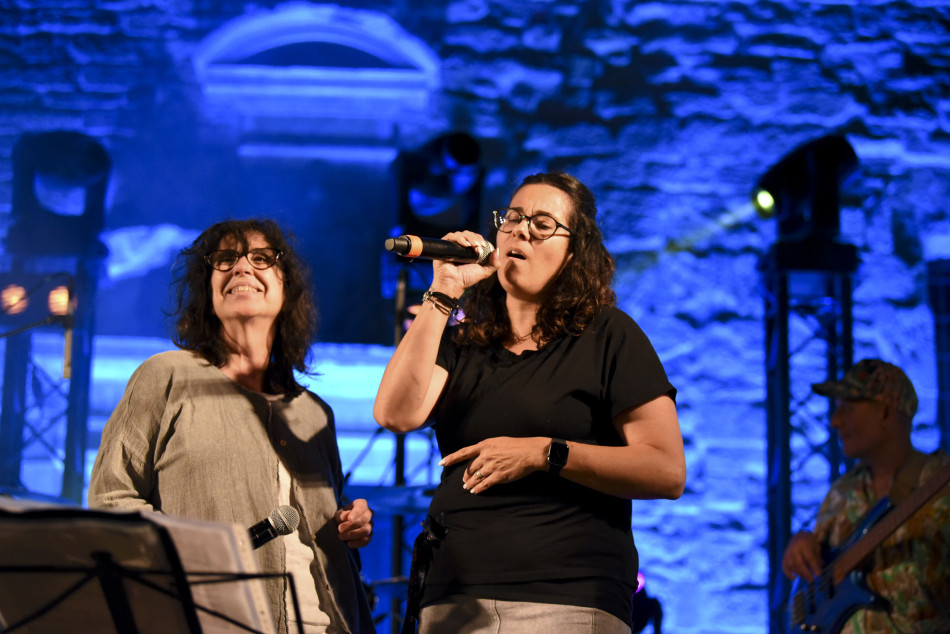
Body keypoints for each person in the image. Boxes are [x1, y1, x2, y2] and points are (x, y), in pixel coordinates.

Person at [374, 172, 687, 633]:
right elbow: (395, 414)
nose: (520, 230)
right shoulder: (462, 343)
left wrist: (545, 452)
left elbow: (666, 470)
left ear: (574, 251)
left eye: (542, 224)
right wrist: (443, 292)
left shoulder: (608, 336)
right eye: (513, 218)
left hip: (568, 596)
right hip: (455, 596)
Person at [89, 219, 376, 634]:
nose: (242, 268)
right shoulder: (165, 376)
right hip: (213, 618)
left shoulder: (315, 412)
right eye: (224, 259)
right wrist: (185, 557)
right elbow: (111, 498)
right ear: (207, 291)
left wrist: (353, 523)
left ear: (286, 288)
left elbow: (323, 528)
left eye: (261, 258)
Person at [781, 358, 950, 633]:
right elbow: (820, 576)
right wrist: (802, 544)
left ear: (885, 412)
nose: (835, 422)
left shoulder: (939, 484)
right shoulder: (842, 491)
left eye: (848, 407)